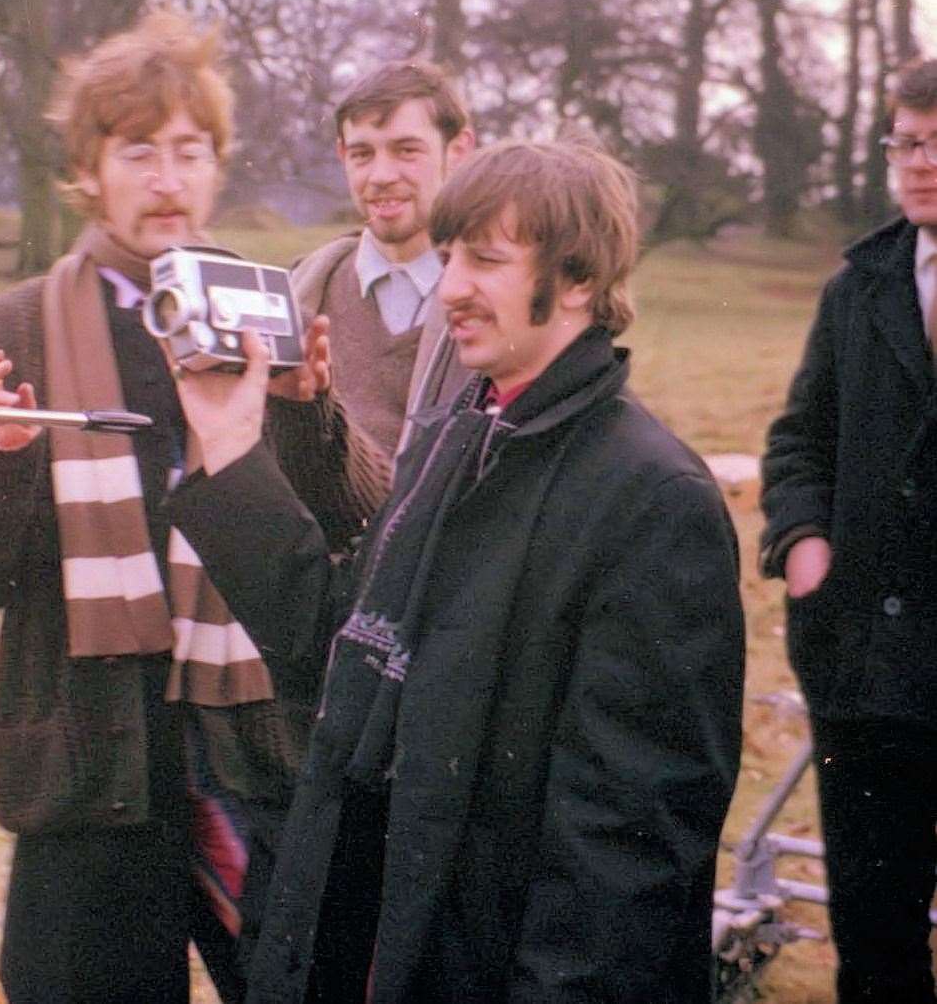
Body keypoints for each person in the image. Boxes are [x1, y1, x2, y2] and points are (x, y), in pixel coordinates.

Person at [166, 140, 745, 1003]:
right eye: (447, 258)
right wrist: (229, 444)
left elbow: (624, 855)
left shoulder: (654, 501)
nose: (450, 289)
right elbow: (336, 644)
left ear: (580, 279)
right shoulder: (456, 435)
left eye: (485, 258)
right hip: (364, 939)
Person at [0, 9, 388, 1004]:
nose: (167, 178)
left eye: (189, 151)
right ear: (89, 170)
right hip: (88, 772)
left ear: (216, 166)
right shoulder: (9, 332)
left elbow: (358, 527)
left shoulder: (267, 310)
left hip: (254, 755)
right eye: (138, 151)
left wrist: (307, 418)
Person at [760, 57, 937, 1003]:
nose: (918, 164)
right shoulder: (858, 289)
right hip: (865, 667)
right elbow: (798, 443)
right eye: (905, 143)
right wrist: (803, 549)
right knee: (877, 940)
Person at [291, 60, 477, 457]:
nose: (381, 176)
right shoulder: (301, 292)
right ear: (342, 156)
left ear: (458, 150)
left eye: (406, 150)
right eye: (362, 154)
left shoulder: (491, 301)